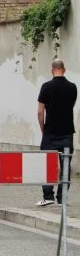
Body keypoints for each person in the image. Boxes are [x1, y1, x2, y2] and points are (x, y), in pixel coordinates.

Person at [36, 59, 77, 206]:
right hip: (67, 133)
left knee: (47, 165)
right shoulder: (73, 87)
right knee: (65, 166)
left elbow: (40, 112)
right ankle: (62, 198)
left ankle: (48, 197)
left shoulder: (46, 87)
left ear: (52, 70)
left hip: (50, 134)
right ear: (64, 70)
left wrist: (43, 130)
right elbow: (70, 106)